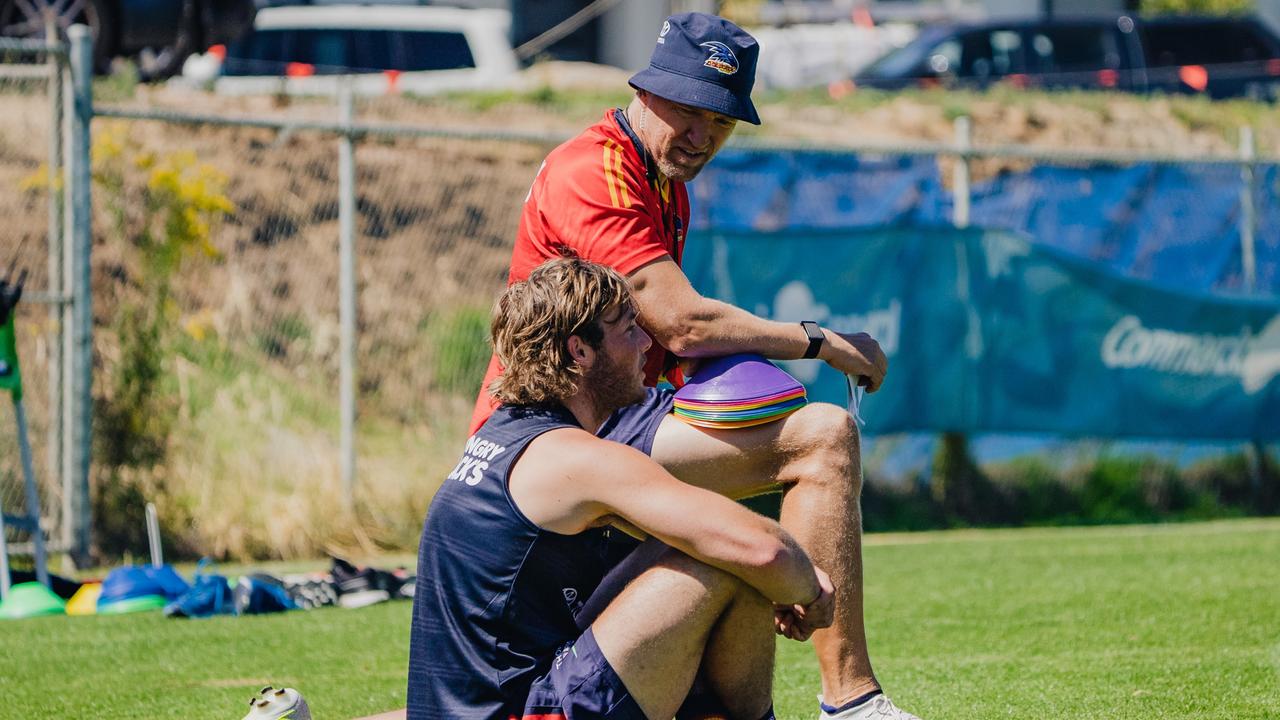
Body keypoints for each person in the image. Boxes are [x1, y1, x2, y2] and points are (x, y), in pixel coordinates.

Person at [468, 12, 915, 720]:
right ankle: (851, 701)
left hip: (582, 434)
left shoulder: (661, 176)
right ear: (647, 90)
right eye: (690, 110)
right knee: (821, 438)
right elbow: (681, 320)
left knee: (492, 706)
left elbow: (663, 339)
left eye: (723, 122)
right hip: (544, 447)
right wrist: (821, 341)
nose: (704, 135)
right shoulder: (597, 170)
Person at [408, 257, 835, 719]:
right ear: (580, 351)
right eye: (629, 330)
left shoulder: (501, 435)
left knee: (685, 546)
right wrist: (810, 591)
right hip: (525, 710)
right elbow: (763, 552)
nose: (647, 345)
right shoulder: (572, 457)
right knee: (727, 563)